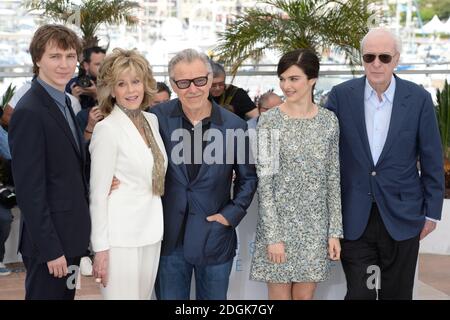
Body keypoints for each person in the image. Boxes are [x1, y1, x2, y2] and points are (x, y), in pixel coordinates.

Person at [325, 27, 444, 300]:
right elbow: (327, 153)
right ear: (362, 59)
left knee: (397, 294)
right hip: (355, 216)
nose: (376, 63)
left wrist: (432, 213)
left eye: (384, 57)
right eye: (369, 57)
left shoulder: (418, 99)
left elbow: (431, 158)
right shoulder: (341, 96)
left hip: (403, 215)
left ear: (397, 59)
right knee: (362, 294)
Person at [148, 49, 257, 300]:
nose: (193, 89)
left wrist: (229, 216)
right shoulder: (157, 119)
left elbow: (248, 178)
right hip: (167, 239)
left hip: (215, 237)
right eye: (183, 83)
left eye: (199, 80)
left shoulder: (234, 125)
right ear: (173, 84)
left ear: (210, 79)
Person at [250, 49, 342, 300]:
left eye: (293, 79)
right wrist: (274, 237)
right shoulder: (269, 121)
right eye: (282, 79)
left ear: (312, 80)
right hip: (278, 227)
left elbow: (332, 178)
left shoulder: (329, 121)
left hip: (315, 227)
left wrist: (334, 232)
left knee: (305, 298)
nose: (286, 85)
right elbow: (265, 183)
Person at [8, 24, 91, 300]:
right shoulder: (30, 111)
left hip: (70, 237)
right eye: (55, 56)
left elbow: (68, 167)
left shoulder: (65, 102)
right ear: (37, 59)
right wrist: (51, 249)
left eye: (70, 56)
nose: (64, 65)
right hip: (51, 246)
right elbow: (30, 191)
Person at [89, 48, 167, 300]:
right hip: (120, 238)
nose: (131, 90)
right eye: (121, 84)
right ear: (111, 90)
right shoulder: (107, 129)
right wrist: (100, 249)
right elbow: (98, 195)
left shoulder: (151, 121)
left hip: (152, 231)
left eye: (136, 81)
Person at [66, 47, 106, 141]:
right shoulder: (73, 84)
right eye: (97, 64)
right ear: (86, 65)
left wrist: (97, 95)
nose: (102, 68)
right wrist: (74, 99)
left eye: (104, 64)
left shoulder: (110, 85)